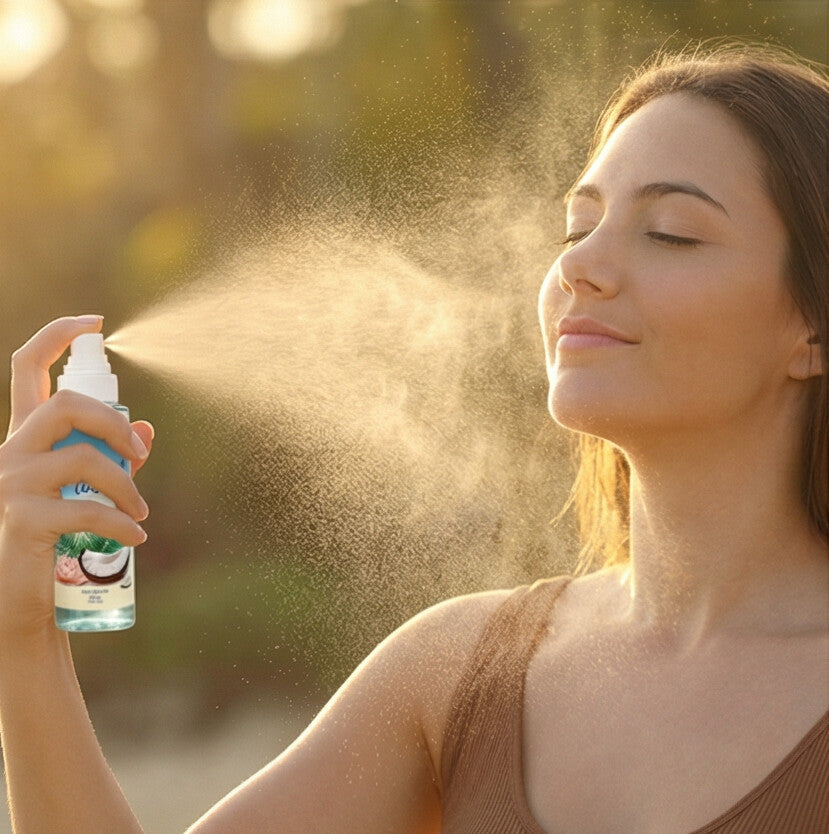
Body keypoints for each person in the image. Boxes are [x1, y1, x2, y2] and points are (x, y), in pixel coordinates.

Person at [0, 41, 826, 833]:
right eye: (577, 227)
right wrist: (25, 642)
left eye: (671, 232)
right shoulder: (459, 673)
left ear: (811, 326)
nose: (580, 267)